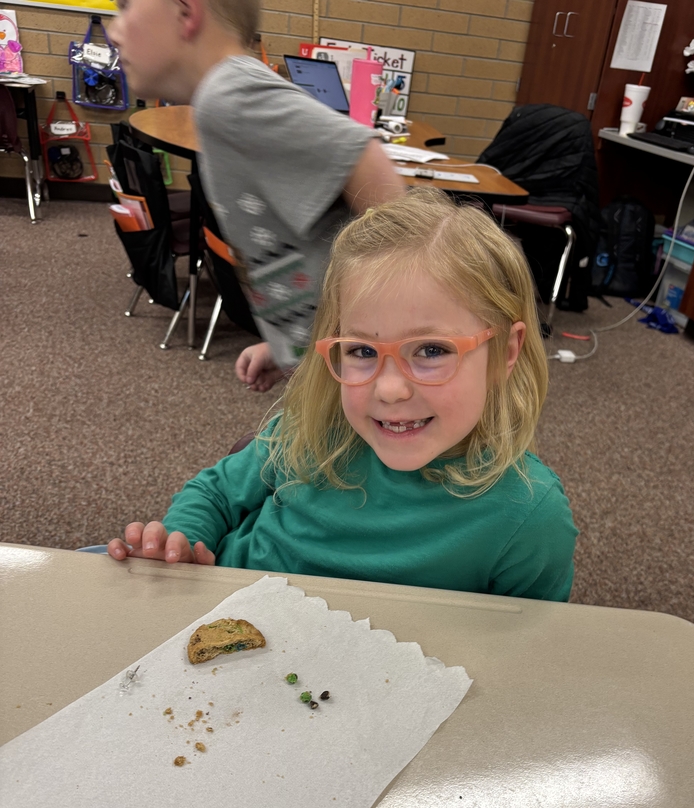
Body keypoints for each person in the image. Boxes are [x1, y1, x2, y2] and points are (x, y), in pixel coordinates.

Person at [108, 190, 578, 601]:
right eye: (361, 350)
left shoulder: (529, 515)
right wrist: (180, 540)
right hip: (230, 613)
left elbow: (524, 650)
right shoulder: (313, 429)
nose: (389, 390)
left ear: (506, 351)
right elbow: (215, 492)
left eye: (432, 350)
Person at [110, 0, 405, 393]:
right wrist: (288, 349)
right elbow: (300, 247)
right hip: (324, 361)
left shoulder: (230, 97)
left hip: (357, 368)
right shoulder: (222, 99)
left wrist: (399, 326)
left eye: (125, 6)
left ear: (185, 12)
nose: (113, 30)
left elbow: (365, 161)